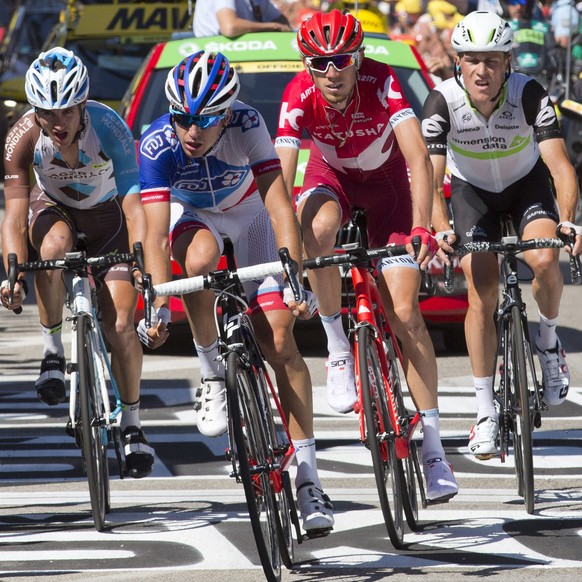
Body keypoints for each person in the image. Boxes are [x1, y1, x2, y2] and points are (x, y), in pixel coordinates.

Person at [137, 50, 334, 535]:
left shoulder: (247, 124)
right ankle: (211, 374)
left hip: (250, 217)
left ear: (225, 113)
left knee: (280, 340)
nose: (191, 131)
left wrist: (294, 277)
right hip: (194, 216)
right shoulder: (158, 143)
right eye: (183, 117)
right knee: (198, 262)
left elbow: (279, 206)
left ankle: (308, 479)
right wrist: (158, 301)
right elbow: (157, 237)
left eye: (204, 120)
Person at [275, 9, 458, 503]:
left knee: (405, 313)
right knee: (319, 229)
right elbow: (281, 175)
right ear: (306, 65)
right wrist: (288, 259)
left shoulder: (382, 81)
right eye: (319, 63)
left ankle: (435, 450)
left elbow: (418, 157)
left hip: (388, 188)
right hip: (331, 180)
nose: (331, 72)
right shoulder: (298, 97)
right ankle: (337, 345)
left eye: (341, 61)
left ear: (358, 58)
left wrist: (422, 225)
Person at [422, 11, 581, 459]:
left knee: (547, 260)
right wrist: (440, 229)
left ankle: (548, 342)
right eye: (472, 60)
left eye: (492, 60)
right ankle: (485, 412)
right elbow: (433, 181)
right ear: (459, 62)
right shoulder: (442, 101)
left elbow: (560, 165)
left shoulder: (529, 94)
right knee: (481, 289)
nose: (482, 71)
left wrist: (568, 220)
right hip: (473, 194)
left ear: (508, 63)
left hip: (525, 186)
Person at [0, 47, 155, 479]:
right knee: (52, 249)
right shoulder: (22, 137)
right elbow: (12, 214)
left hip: (109, 222)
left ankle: (133, 425)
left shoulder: (109, 127)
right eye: (47, 113)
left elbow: (134, 205)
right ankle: (51, 351)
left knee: (121, 324)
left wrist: (141, 259)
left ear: (82, 104)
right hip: (55, 212)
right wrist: (13, 272)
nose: (57, 123)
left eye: (66, 111)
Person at [193, 0, 292, 38]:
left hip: (245, 56)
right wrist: (273, 26)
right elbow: (229, 28)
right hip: (214, 60)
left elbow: (281, 21)